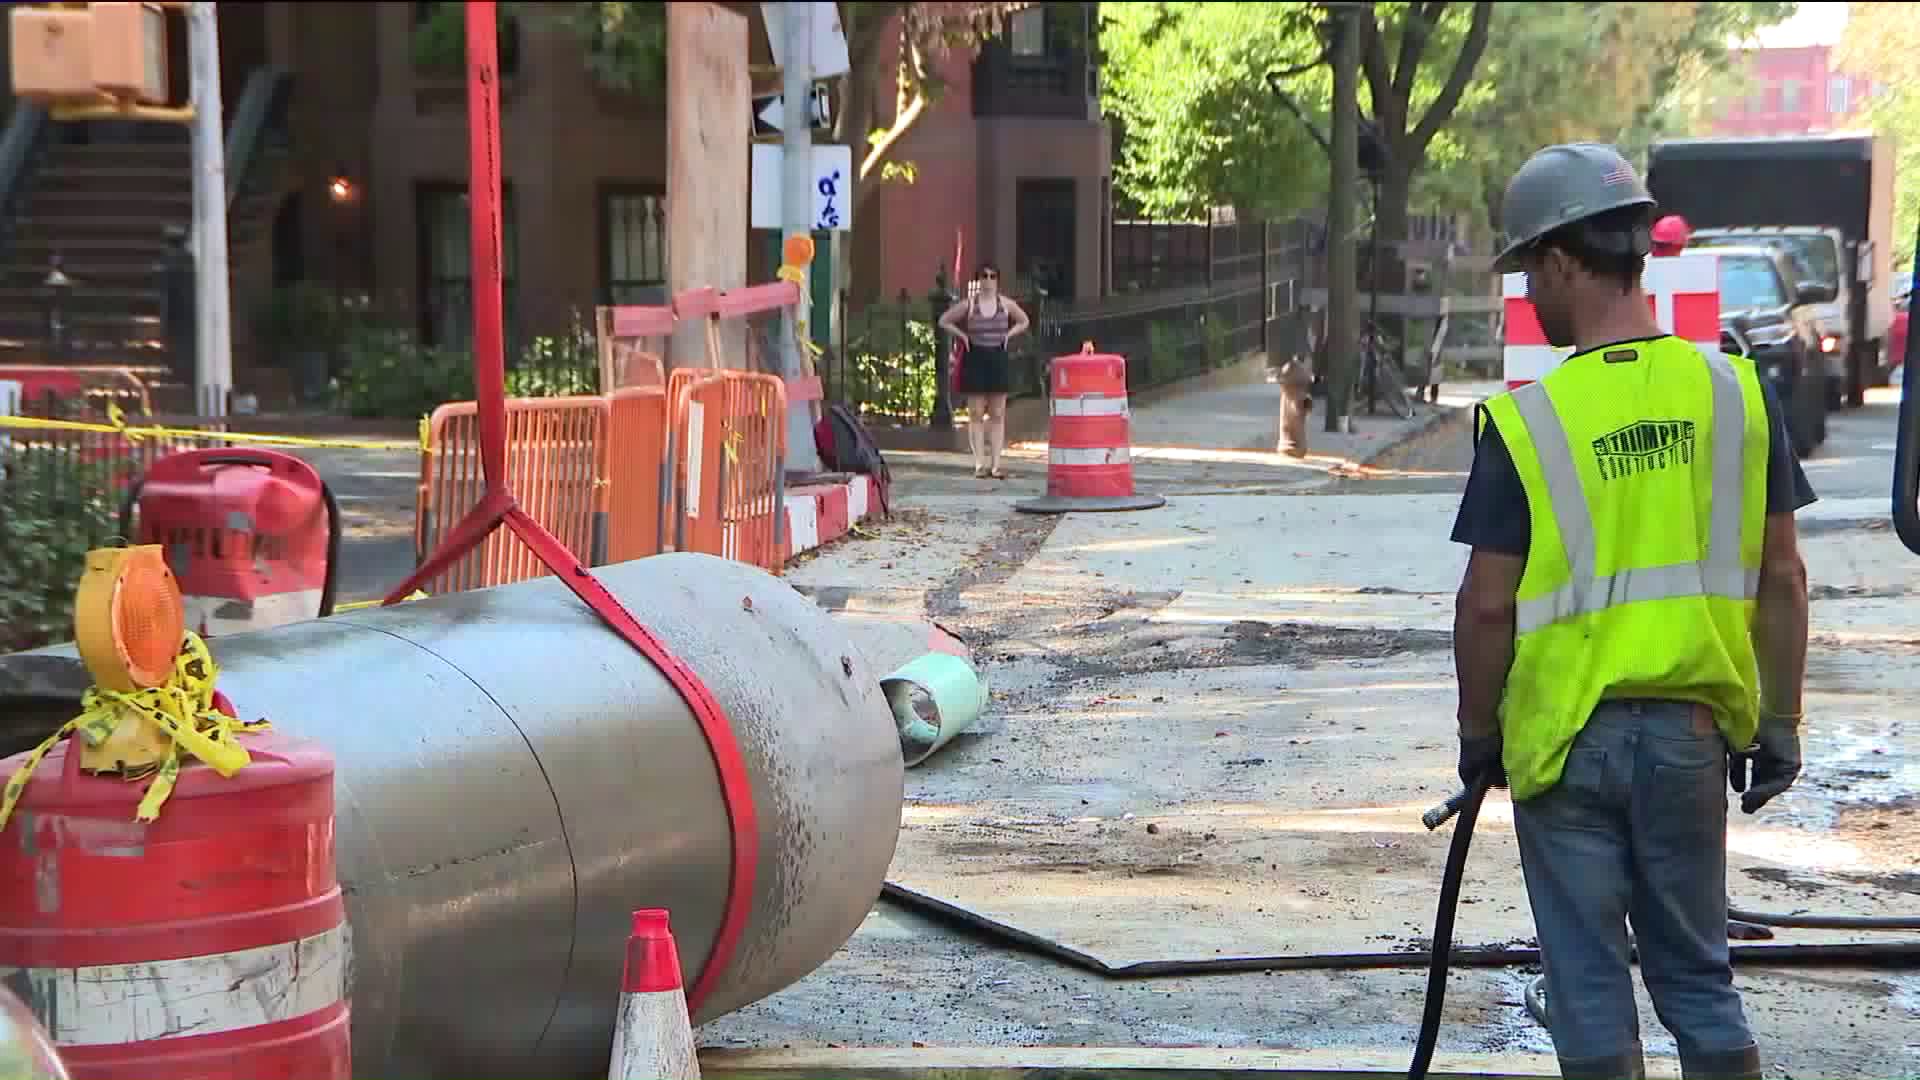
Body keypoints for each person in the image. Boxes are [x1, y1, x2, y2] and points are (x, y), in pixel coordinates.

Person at [1450, 143, 1814, 1080]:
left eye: (1530, 269)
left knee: (1587, 987)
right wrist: (1778, 722)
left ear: (1564, 260)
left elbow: (1486, 607)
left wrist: (1478, 734)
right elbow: (1784, 577)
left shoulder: (1530, 421)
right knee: (1698, 978)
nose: (1529, 291)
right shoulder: (1737, 394)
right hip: (1691, 740)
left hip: (1566, 744)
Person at [938, 264, 1031, 479]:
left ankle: (996, 464)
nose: (988, 280)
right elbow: (944, 320)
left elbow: (1024, 321)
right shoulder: (969, 304)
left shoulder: (1005, 304)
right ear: (978, 280)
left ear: (997, 280)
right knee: (976, 413)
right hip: (976, 358)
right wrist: (962, 336)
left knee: (997, 414)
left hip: (997, 357)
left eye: (992, 276)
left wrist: (1009, 335)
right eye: (984, 276)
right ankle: (979, 464)